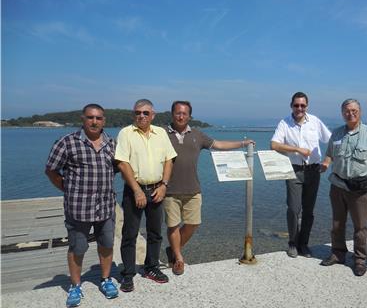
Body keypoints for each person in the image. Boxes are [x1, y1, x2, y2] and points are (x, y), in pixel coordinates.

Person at [164, 100, 255, 275]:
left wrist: (243, 144)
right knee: (173, 225)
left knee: (193, 223)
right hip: (169, 189)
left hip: (193, 188)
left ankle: (173, 250)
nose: (181, 116)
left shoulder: (198, 135)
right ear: (172, 114)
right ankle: (178, 258)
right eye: (178, 113)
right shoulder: (162, 134)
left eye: (184, 113)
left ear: (190, 116)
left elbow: (219, 145)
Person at [45, 104, 119, 307]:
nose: (94, 121)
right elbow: (51, 170)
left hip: (105, 206)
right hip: (78, 208)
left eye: (98, 118)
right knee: (77, 248)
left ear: (104, 120)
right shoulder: (67, 142)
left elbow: (116, 170)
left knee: (106, 245)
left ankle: (105, 280)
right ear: (83, 119)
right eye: (90, 117)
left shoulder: (111, 144)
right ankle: (75, 285)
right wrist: (68, 189)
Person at [115, 99, 177, 292]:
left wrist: (164, 185)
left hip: (157, 189)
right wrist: (137, 190)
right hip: (134, 190)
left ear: (153, 115)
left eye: (145, 113)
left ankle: (151, 268)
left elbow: (169, 160)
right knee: (129, 234)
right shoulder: (126, 133)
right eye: (138, 113)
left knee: (155, 233)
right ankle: (128, 274)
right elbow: (122, 163)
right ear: (133, 114)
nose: (141, 116)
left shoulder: (161, 133)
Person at [320, 98, 367, 277]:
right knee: (337, 223)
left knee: (360, 226)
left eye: (354, 110)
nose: (350, 114)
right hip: (338, 185)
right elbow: (329, 155)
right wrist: (325, 164)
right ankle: (338, 253)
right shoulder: (336, 134)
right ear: (342, 113)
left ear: (360, 111)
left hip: (359, 189)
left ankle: (359, 260)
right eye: (347, 111)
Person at [270, 92, 331, 258]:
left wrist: (327, 161)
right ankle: (292, 243)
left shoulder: (315, 121)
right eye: (296, 105)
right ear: (291, 106)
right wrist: (296, 149)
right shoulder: (285, 123)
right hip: (294, 170)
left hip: (314, 170)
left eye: (302, 105)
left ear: (307, 106)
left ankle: (304, 244)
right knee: (293, 208)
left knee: (309, 210)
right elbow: (274, 144)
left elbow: (331, 142)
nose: (299, 108)